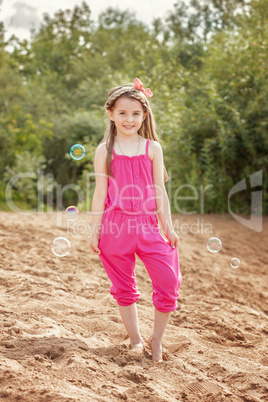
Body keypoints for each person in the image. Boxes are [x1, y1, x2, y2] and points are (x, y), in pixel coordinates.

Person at [89, 78, 182, 363]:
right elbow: (99, 193)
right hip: (115, 227)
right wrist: (95, 231)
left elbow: (160, 191)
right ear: (111, 114)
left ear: (144, 116)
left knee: (168, 282)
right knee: (124, 287)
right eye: (122, 113)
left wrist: (168, 226)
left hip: (147, 225)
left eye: (135, 113)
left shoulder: (152, 148)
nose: (129, 119)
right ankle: (136, 338)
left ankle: (157, 339)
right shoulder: (104, 150)